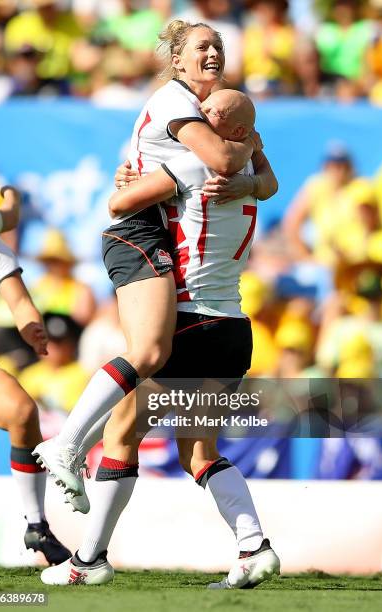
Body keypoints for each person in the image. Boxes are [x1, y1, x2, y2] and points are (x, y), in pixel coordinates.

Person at [39, 89, 280, 589]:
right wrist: (254, 157)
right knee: (199, 453)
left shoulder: (195, 169)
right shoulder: (253, 184)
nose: (201, 118)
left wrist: (128, 177)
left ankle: (88, 561)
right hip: (233, 328)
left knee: (119, 433)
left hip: (190, 320)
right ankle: (254, 547)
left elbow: (118, 204)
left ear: (232, 134)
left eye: (214, 115)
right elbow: (269, 182)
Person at [0, 160, 70, 565]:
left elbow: (17, 299)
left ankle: (36, 525)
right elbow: (10, 213)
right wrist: (11, 200)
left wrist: (31, 325)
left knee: (20, 411)